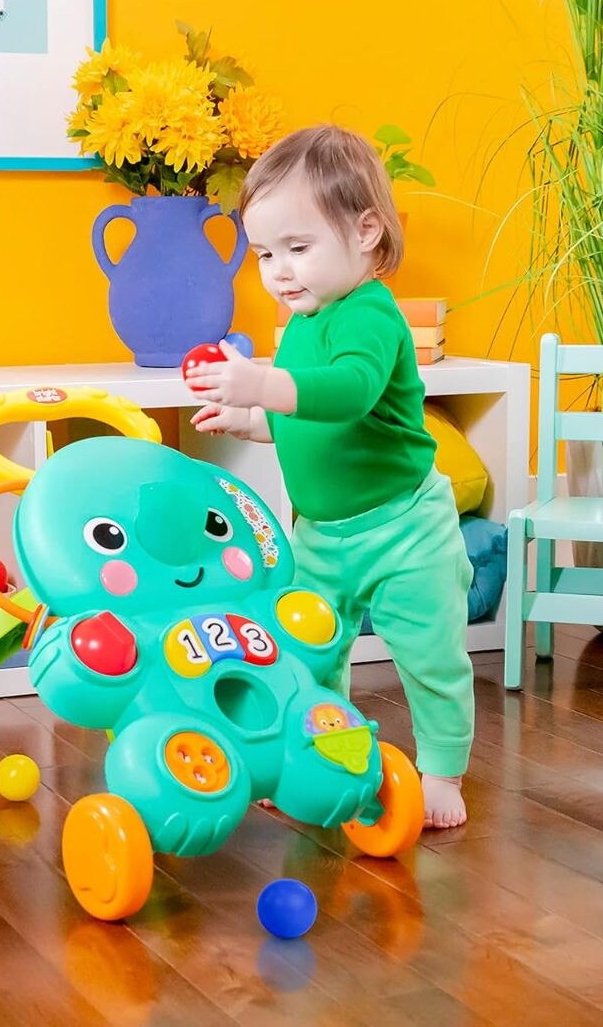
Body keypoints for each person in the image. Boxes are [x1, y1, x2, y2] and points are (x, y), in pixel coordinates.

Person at [187, 125, 474, 828]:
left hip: (405, 528)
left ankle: (442, 772)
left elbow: (348, 393)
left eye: (298, 248)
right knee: (307, 655)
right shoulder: (303, 321)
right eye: (265, 254)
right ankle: (319, 758)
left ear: (367, 232)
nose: (279, 272)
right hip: (318, 535)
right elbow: (310, 420)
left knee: (429, 654)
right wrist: (252, 420)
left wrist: (261, 384)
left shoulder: (371, 314)